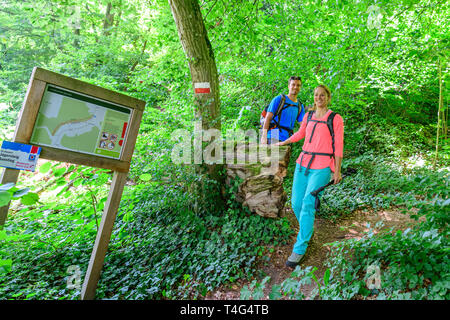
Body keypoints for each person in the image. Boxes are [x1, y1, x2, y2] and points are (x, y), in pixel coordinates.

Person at [274, 84, 344, 268]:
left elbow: (338, 145)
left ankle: (300, 248)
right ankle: (307, 230)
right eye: (316, 95)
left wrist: (336, 170)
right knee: (296, 203)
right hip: (303, 163)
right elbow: (300, 133)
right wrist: (284, 142)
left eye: (322, 95)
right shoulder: (308, 115)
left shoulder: (335, 119)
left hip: (322, 166)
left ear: (328, 97)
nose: (318, 98)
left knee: (307, 203)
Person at [260, 76, 305, 144]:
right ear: (288, 86)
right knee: (274, 154)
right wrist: (264, 137)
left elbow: (303, 125)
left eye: (298, 85)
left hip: (287, 139)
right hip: (273, 134)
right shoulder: (279, 99)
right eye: (293, 84)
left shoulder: (299, 106)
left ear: (300, 87)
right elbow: (268, 118)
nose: (295, 87)